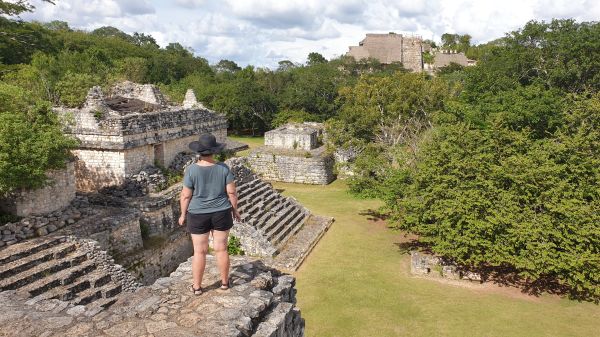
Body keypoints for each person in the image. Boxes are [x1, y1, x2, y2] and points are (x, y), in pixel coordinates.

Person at [178, 133, 241, 295]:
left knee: (199, 251)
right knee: (221, 249)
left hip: (198, 213)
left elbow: (185, 195)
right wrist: (235, 210)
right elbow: (232, 193)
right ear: (214, 151)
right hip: (221, 211)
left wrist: (183, 214)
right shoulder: (223, 168)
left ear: (199, 152)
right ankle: (225, 283)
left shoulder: (192, 170)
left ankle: (197, 287)